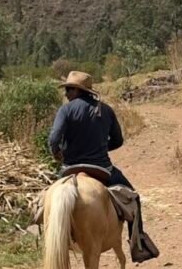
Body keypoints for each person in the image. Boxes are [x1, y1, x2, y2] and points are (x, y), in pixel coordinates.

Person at [48, 70, 138, 219]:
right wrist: (100, 146)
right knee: (133, 198)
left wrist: (56, 152)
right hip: (101, 167)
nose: (66, 93)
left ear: (78, 90)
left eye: (69, 89)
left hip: (70, 167)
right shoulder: (107, 110)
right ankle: (138, 238)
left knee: (47, 203)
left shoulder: (65, 110)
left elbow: (54, 138)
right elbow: (118, 141)